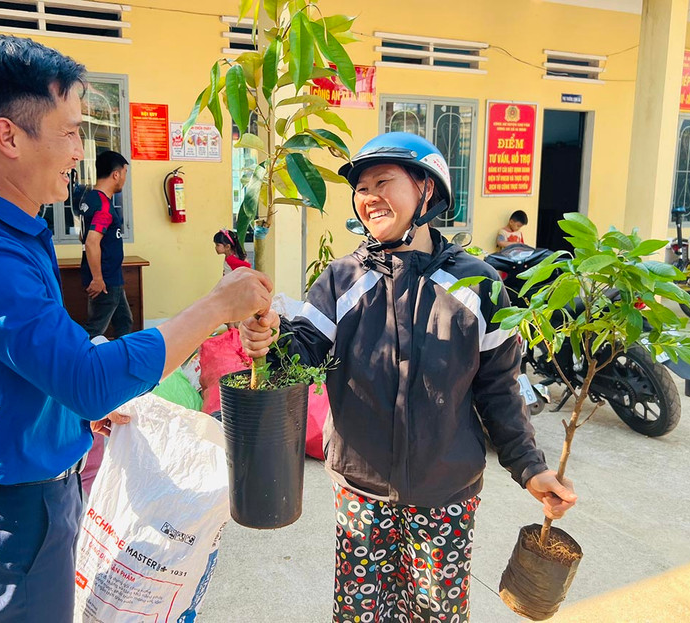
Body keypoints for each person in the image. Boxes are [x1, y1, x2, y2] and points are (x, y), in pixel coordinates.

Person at [0, 35, 272, 622]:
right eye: (70, 132)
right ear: (8, 136)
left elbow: (36, 366)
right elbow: (85, 378)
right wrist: (213, 308)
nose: (80, 151)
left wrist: (75, 413)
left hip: (34, 491)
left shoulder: (12, 234)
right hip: (14, 509)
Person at [240, 132, 576, 623]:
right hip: (360, 489)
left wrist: (530, 467)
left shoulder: (478, 285)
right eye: (361, 188)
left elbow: (499, 389)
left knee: (437, 613)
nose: (369, 196)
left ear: (426, 188)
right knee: (359, 613)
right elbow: (302, 352)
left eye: (383, 182)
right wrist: (270, 337)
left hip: (446, 493)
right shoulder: (342, 279)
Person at [79, 150, 131, 338]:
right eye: (124, 173)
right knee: (94, 330)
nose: (124, 179)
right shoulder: (103, 206)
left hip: (111, 276)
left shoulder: (90, 199)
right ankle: (76, 355)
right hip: (105, 280)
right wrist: (98, 278)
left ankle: (123, 355)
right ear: (116, 174)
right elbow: (91, 241)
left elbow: (82, 236)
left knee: (124, 321)